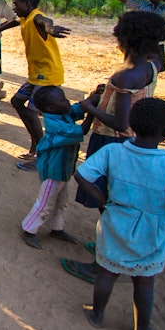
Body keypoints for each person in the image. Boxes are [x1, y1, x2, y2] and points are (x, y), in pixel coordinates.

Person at [62, 11, 165, 283]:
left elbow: (120, 122)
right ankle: (108, 250)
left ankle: (104, 263)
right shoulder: (151, 65)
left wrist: (89, 107)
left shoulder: (126, 76)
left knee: (109, 204)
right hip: (133, 140)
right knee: (116, 201)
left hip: (113, 140)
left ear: (125, 40)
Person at [75, 98, 165, 330]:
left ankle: (97, 315)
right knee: (144, 282)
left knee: (107, 272)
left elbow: (82, 175)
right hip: (152, 231)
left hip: (115, 222)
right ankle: (141, 328)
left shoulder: (113, 152)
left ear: (131, 124)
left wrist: (102, 200)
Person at [0, 0, 69, 167]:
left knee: (33, 112)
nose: (14, 6)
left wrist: (50, 29)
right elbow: (14, 22)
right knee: (17, 101)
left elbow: (45, 22)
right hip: (36, 75)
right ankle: (35, 144)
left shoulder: (36, 17)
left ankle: (41, 154)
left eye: (16, 3)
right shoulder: (25, 18)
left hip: (48, 75)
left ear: (27, 5)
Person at [20, 85, 99, 250]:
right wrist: (92, 111)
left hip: (63, 170)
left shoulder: (61, 113)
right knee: (45, 202)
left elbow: (77, 108)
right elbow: (82, 130)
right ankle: (29, 229)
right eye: (63, 99)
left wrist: (92, 98)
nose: (67, 101)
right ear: (50, 108)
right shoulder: (55, 124)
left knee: (61, 201)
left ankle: (56, 228)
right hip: (53, 170)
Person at [117, 0, 165, 71]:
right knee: (135, 63)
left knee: (155, 67)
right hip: (139, 39)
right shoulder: (141, 4)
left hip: (155, 40)